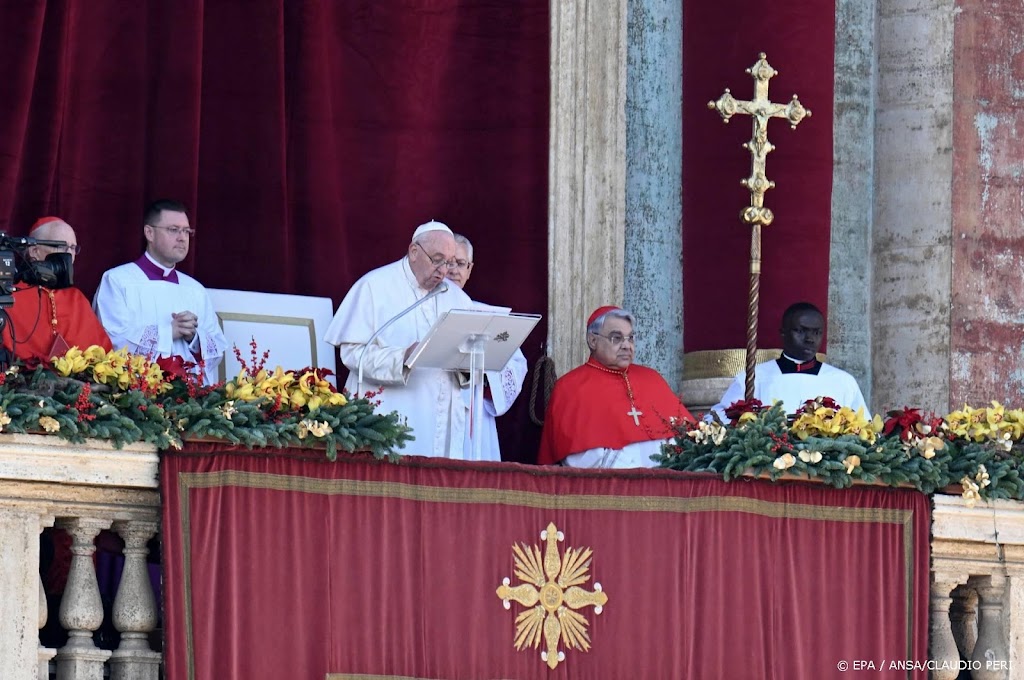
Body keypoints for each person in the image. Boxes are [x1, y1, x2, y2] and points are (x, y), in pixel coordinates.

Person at [324, 220, 477, 458]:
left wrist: (469, 363)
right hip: (390, 415)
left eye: (449, 262)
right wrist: (402, 358)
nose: (444, 270)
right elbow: (352, 353)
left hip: (440, 422)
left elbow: (469, 360)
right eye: (437, 259)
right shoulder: (375, 286)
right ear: (414, 251)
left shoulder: (457, 298)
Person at [537, 306, 694, 467]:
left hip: (667, 482)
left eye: (630, 338)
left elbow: (686, 437)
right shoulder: (570, 387)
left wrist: (671, 464)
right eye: (616, 338)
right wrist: (637, 474)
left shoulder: (652, 378)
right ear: (593, 340)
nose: (627, 346)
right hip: (612, 486)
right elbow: (579, 456)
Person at [93, 199, 227, 385]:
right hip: (136, 398)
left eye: (186, 231)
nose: (182, 237)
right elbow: (111, 340)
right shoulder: (118, 280)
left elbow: (217, 350)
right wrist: (168, 332)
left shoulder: (195, 289)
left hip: (191, 399)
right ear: (149, 233)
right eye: (173, 230)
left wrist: (194, 337)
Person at [710, 301, 869, 420]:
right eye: (801, 331)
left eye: (817, 332)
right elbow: (718, 420)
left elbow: (865, 430)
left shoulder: (843, 381)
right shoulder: (753, 378)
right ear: (783, 333)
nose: (810, 339)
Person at [448, 233, 527, 461]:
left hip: (475, 415)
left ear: (470, 269)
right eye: (449, 263)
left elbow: (516, 364)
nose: (454, 270)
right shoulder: (420, 312)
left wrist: (485, 379)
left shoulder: (488, 315)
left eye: (460, 263)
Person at [0, 217, 112, 363]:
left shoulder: (76, 299)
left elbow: (103, 356)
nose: (69, 255)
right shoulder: (9, 295)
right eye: (61, 246)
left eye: (73, 248)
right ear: (34, 251)